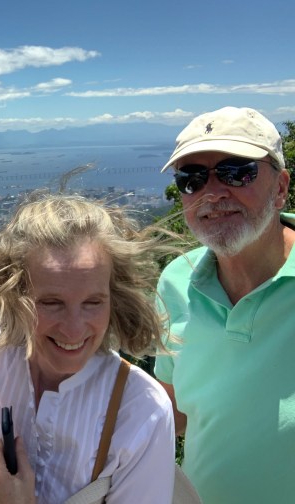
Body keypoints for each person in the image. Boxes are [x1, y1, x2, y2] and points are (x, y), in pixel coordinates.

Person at [0, 192, 176, 503]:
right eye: (51, 303)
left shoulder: (140, 411)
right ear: (16, 296)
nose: (74, 328)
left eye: (93, 302)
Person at [155, 106, 295, 503]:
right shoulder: (175, 281)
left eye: (237, 172)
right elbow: (174, 411)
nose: (212, 193)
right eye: (192, 179)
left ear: (280, 187)